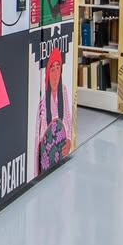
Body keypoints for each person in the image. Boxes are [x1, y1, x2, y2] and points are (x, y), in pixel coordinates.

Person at [35, 45, 72, 173]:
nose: (56, 75)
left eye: (58, 68)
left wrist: (69, 141)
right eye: (52, 70)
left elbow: (68, 119)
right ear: (47, 73)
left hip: (61, 153)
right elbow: (38, 141)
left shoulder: (64, 91)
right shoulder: (42, 104)